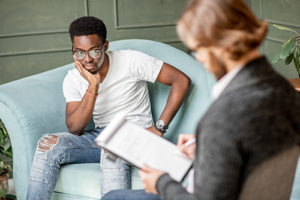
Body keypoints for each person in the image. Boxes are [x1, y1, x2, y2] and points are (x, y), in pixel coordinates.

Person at [102, 0, 300, 199]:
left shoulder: (224, 114)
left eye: (196, 49)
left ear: (219, 46)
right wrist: (207, 146)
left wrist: (160, 182)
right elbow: (255, 146)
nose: (198, 58)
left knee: (113, 197)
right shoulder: (284, 89)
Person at [26, 16, 191, 200]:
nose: (87, 59)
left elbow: (181, 80)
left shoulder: (131, 60)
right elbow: (74, 128)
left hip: (135, 135)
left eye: (94, 51)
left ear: (105, 46)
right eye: (79, 53)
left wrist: (160, 126)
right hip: (101, 136)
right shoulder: (73, 78)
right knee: (47, 145)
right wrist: (93, 86)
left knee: (112, 149)